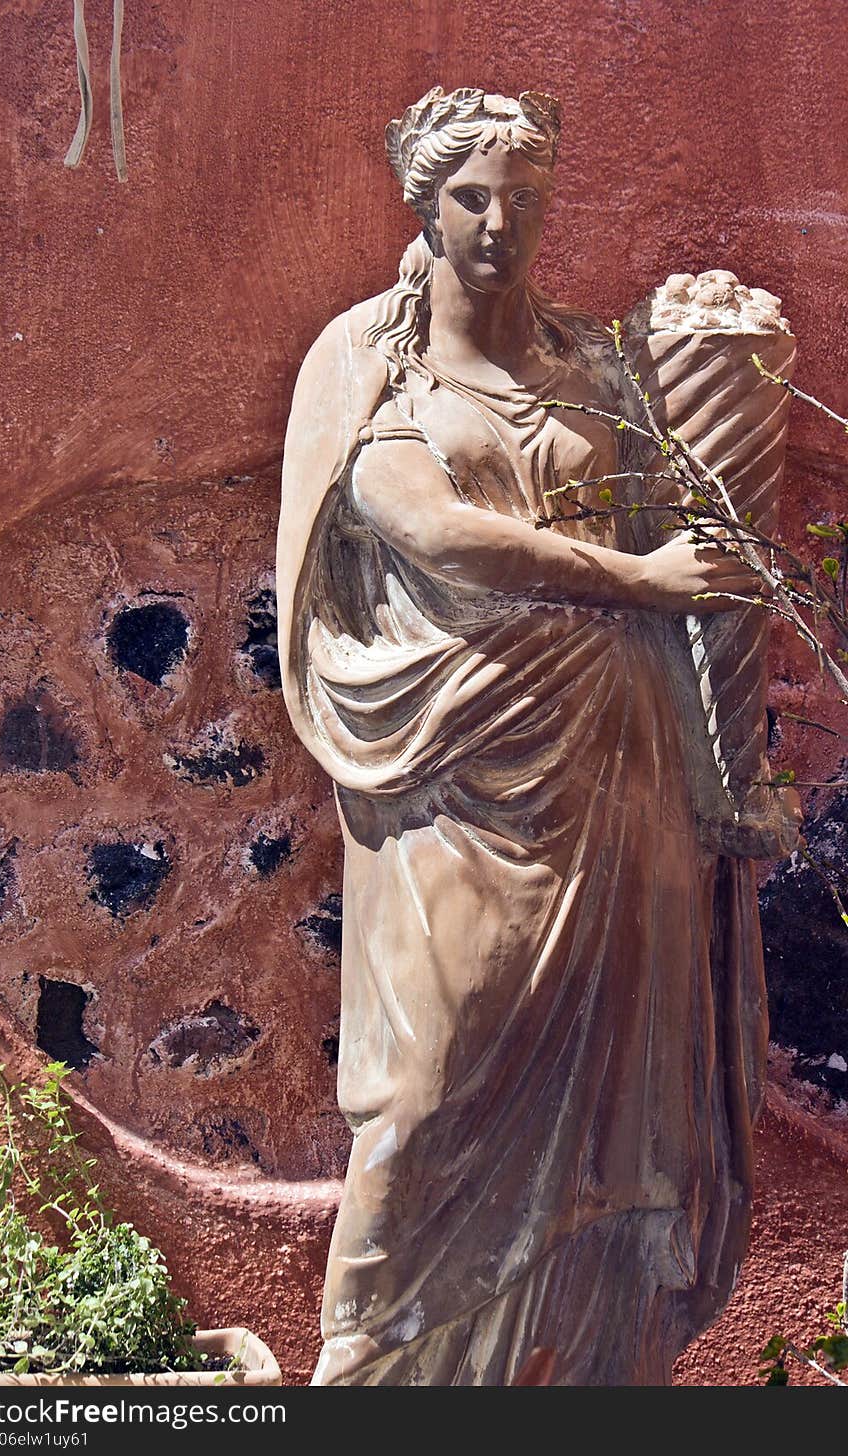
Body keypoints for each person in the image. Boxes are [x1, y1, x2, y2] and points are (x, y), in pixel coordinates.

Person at [276, 86, 788, 1385]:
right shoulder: (366, 358)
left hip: (614, 766)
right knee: (422, 1086)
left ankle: (589, 1379)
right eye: (470, 199)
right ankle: (371, 1376)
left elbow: (686, 533)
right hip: (449, 776)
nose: (499, 225)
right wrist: (640, 582)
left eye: (525, 200)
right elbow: (423, 521)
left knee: (622, 1095)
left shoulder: (591, 364)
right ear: (423, 202)